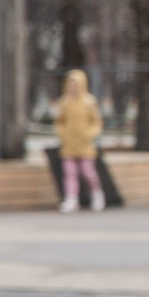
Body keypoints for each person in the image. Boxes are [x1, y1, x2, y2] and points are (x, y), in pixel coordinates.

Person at [54, 70, 106, 212]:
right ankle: (71, 198)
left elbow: (96, 122)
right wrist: (63, 134)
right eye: (70, 84)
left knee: (87, 171)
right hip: (69, 144)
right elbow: (59, 121)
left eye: (75, 84)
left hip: (85, 144)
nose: (73, 87)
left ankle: (97, 194)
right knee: (69, 173)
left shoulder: (89, 102)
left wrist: (90, 134)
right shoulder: (65, 102)